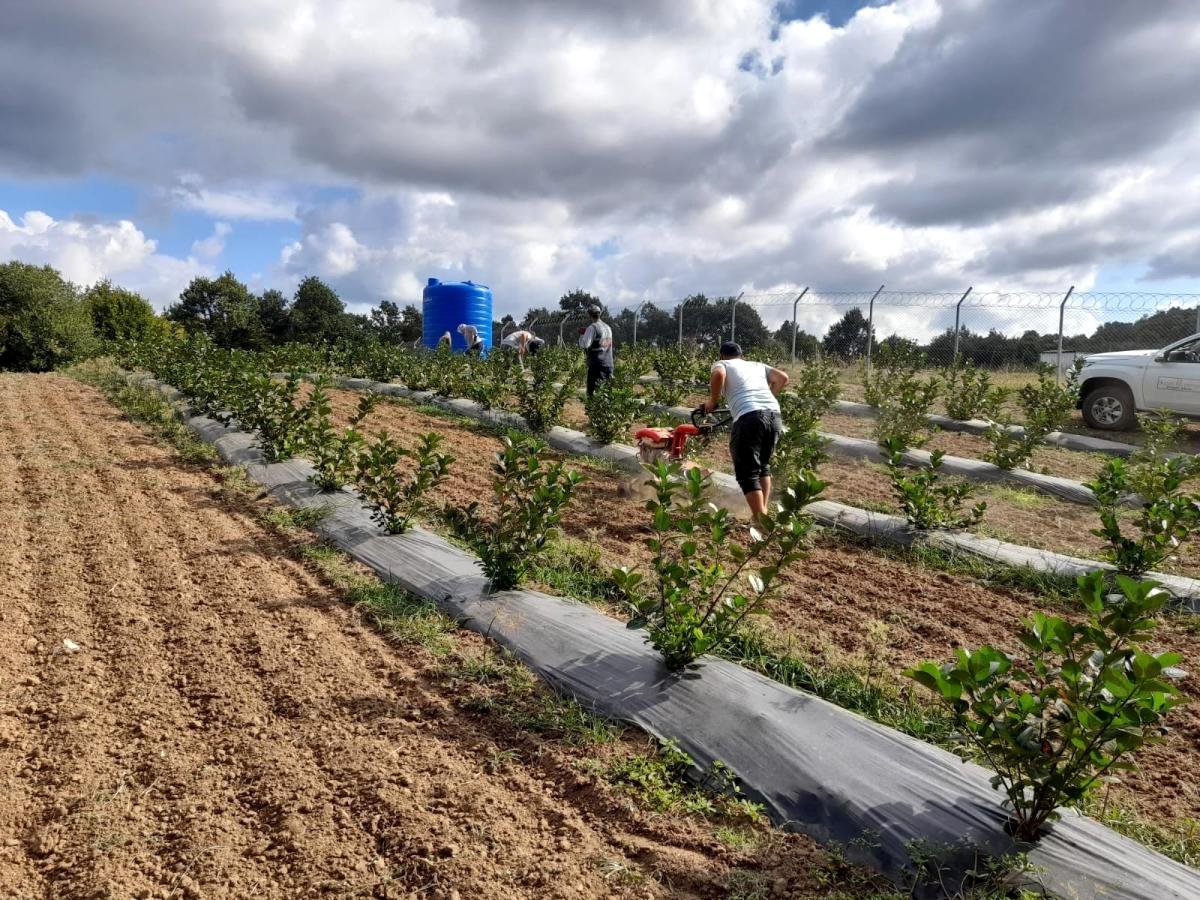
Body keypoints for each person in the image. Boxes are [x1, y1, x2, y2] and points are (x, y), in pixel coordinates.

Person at [700, 342, 789, 520]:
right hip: (774, 416)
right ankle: (762, 515)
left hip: (750, 417)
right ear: (742, 355)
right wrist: (769, 397)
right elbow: (782, 378)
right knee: (762, 466)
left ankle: (760, 520)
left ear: (721, 355)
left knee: (747, 472)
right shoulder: (756, 365)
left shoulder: (722, 364)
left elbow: (718, 374)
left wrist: (712, 402)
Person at [578, 305, 613, 397]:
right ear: (600, 313)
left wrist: (582, 334)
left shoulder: (592, 328)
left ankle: (593, 411)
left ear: (589, 315)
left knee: (593, 394)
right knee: (606, 393)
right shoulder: (608, 327)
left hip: (597, 366)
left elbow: (584, 344)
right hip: (609, 364)